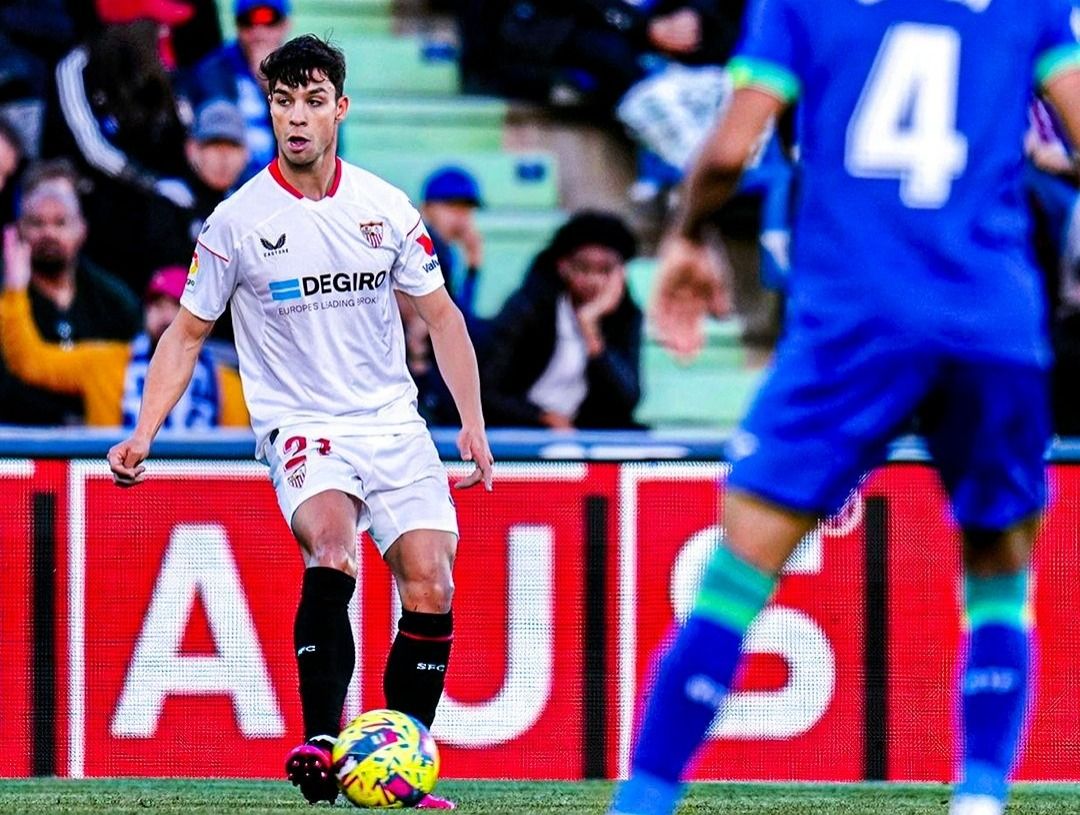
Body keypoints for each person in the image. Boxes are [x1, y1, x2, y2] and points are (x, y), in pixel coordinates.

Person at [607, 2, 1080, 815]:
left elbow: (727, 149)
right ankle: (979, 797)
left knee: (739, 570)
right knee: (1000, 575)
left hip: (852, 319)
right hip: (990, 318)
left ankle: (645, 801)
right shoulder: (1026, 5)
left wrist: (688, 233)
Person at [105, 35, 492, 810]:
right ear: (270, 112)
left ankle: (402, 768)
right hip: (302, 422)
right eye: (283, 103)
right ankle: (321, 741)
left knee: (432, 581)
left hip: (391, 422)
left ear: (340, 108)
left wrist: (473, 425)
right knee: (332, 543)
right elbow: (185, 333)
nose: (297, 118)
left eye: (313, 101)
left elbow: (442, 319)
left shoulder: (384, 208)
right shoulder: (236, 223)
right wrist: (144, 430)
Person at [0, 248, 247, 428]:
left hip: (196, 497)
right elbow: (30, 360)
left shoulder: (229, 386)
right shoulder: (104, 364)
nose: (166, 315)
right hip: (113, 493)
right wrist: (15, 290)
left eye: (178, 306)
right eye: (156, 304)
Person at [0, 164, 141, 425]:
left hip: (101, 445)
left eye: (60, 222)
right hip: (18, 445)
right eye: (36, 223)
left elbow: (134, 375)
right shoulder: (6, 299)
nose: (48, 233)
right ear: (19, 230)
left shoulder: (114, 300)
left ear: (81, 231)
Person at [482, 210, 642, 429]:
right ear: (563, 266)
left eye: (605, 270)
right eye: (584, 268)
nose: (594, 280)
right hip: (521, 429)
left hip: (584, 435)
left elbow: (627, 399)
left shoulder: (626, 316)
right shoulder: (530, 308)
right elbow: (489, 391)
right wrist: (542, 417)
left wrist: (592, 334)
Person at [402, 166, 485, 425]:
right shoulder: (426, 243)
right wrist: (473, 268)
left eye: (466, 209)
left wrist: (472, 268)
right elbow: (454, 321)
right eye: (451, 207)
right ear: (427, 208)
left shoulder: (444, 251)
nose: (460, 218)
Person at [181, 0, 291, 183]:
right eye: (248, 22)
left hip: (287, 183)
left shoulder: (304, 73)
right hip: (228, 184)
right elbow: (217, 131)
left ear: (285, 25)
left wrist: (271, 86)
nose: (259, 33)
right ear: (237, 26)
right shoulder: (214, 70)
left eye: (270, 22)